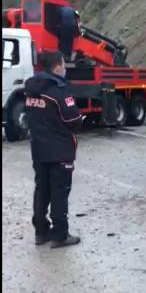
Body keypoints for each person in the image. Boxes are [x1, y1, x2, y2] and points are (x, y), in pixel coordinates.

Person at [25, 53, 82, 248]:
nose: (65, 68)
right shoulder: (59, 91)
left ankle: (41, 232)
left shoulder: (31, 90)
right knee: (60, 191)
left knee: (42, 190)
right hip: (59, 150)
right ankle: (60, 235)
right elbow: (73, 120)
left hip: (38, 149)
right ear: (57, 67)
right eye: (64, 64)